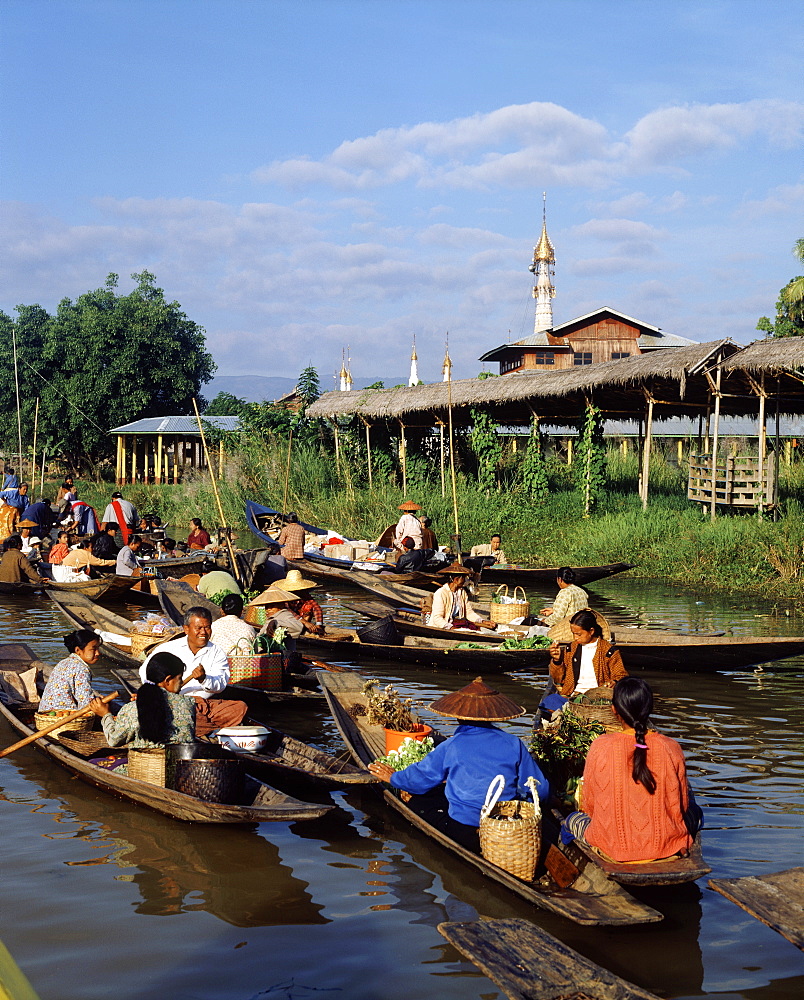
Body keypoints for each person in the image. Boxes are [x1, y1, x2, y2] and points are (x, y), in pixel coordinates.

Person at [368, 677, 549, 852]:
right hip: (503, 826)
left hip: (465, 830)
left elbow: (419, 780)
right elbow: (540, 790)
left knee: (418, 801)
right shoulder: (513, 743)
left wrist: (393, 777)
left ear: (458, 717)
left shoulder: (452, 745)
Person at [562, 677, 703, 863]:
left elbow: (590, 807)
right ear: (649, 709)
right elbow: (682, 806)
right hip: (666, 845)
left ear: (614, 710)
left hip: (613, 847)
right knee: (696, 812)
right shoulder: (671, 747)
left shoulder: (600, 746)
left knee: (571, 820)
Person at [140, 607, 248, 738]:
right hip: (173, 703)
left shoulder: (217, 652)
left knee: (240, 708)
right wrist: (151, 694)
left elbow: (220, 685)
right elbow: (145, 672)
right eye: (199, 628)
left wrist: (204, 679)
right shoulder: (169, 648)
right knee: (186, 715)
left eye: (207, 627)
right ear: (186, 629)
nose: (203, 632)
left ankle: (200, 727)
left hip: (203, 705)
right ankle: (205, 727)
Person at [90, 651, 195, 749]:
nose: (181, 684)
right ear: (167, 680)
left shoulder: (132, 708)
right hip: (182, 762)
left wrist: (105, 715)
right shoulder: (188, 703)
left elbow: (114, 740)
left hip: (146, 765)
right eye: (180, 679)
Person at [547, 609, 627, 702]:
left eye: (579, 634)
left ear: (591, 631)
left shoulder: (609, 651)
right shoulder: (571, 649)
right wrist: (557, 660)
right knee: (549, 701)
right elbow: (558, 680)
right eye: (573, 634)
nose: (575, 638)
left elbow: (621, 675)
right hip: (573, 695)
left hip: (598, 697)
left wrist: (614, 682)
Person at [38, 630, 101, 712]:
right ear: (78, 650)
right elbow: (86, 704)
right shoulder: (82, 669)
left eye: (98, 648)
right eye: (94, 649)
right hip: (64, 718)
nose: (98, 653)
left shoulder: (64, 662)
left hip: (44, 712)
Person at [428, 563, 496, 631]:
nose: (465, 581)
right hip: (442, 626)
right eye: (463, 578)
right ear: (456, 580)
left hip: (457, 624)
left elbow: (469, 612)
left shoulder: (462, 592)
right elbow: (437, 618)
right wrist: (451, 628)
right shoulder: (441, 593)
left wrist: (483, 621)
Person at [275, 569, 323, 634]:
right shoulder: (284, 596)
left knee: (308, 606)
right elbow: (287, 610)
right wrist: (305, 622)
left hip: (300, 620)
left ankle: (303, 629)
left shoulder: (304, 594)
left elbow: (316, 607)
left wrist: (319, 624)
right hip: (285, 620)